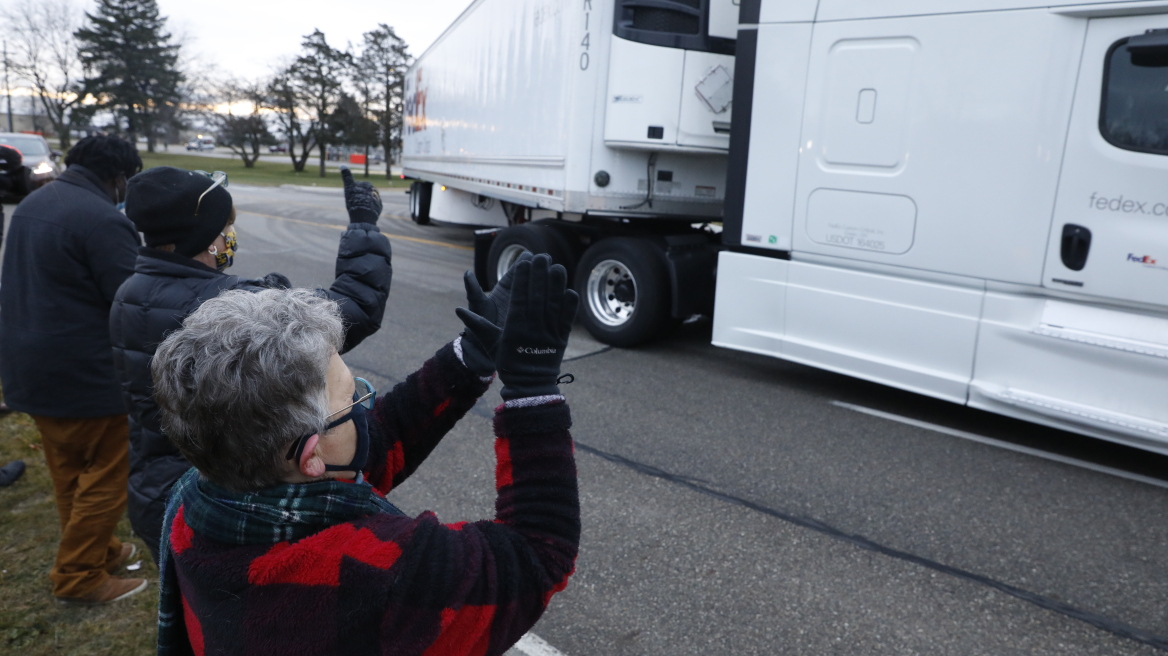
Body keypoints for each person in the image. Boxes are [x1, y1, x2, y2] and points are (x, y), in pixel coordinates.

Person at [151, 255, 579, 656]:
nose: (365, 407)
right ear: (311, 457)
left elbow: (376, 443)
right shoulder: (379, 572)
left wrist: (471, 356)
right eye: (352, 399)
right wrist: (533, 392)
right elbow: (537, 556)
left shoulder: (196, 500)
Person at [110, 166, 393, 563]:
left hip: (152, 485)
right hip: (221, 496)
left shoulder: (130, 290)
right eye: (225, 226)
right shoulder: (227, 306)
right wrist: (364, 225)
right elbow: (354, 308)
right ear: (207, 238)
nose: (230, 236)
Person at [0, 135, 145, 604]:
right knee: (106, 475)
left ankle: (99, 550)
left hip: (31, 367)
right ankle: (80, 576)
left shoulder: (35, 202)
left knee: (69, 471)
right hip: (85, 373)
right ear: (119, 178)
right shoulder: (102, 219)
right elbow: (129, 300)